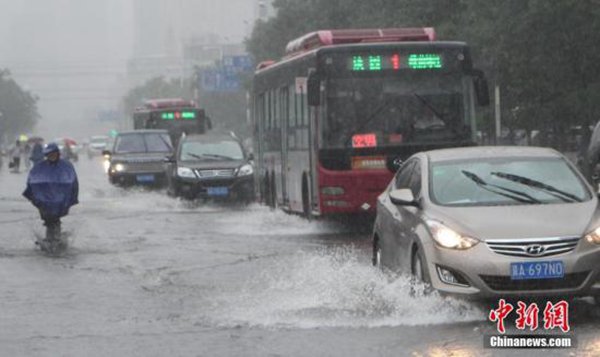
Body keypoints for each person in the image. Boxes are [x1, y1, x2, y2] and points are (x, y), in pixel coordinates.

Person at [22, 143, 79, 241]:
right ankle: (51, 239)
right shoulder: (40, 167)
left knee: (55, 220)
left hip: (60, 201)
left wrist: (71, 197)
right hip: (45, 201)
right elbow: (32, 181)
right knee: (49, 220)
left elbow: (72, 182)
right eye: (49, 154)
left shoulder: (66, 166)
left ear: (58, 154)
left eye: (53, 153)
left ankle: (55, 238)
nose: (51, 156)